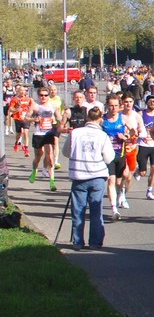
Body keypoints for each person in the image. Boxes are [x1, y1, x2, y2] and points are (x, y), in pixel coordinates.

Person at [62, 106, 115, 250]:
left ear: (87, 118)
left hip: (79, 175)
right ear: (100, 118)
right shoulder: (102, 135)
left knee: (78, 210)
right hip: (97, 176)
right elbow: (109, 158)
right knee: (96, 211)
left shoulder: (75, 133)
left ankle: (78, 241)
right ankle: (95, 242)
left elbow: (65, 152)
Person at [26, 86, 59, 191]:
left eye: (45, 95)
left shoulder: (53, 106)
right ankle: (34, 170)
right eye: (41, 95)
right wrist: (34, 119)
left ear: (48, 96)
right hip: (38, 134)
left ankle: (52, 182)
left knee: (50, 157)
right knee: (38, 156)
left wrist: (58, 120)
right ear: (38, 96)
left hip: (49, 134)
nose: (43, 97)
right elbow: (26, 118)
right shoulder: (35, 106)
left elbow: (59, 118)